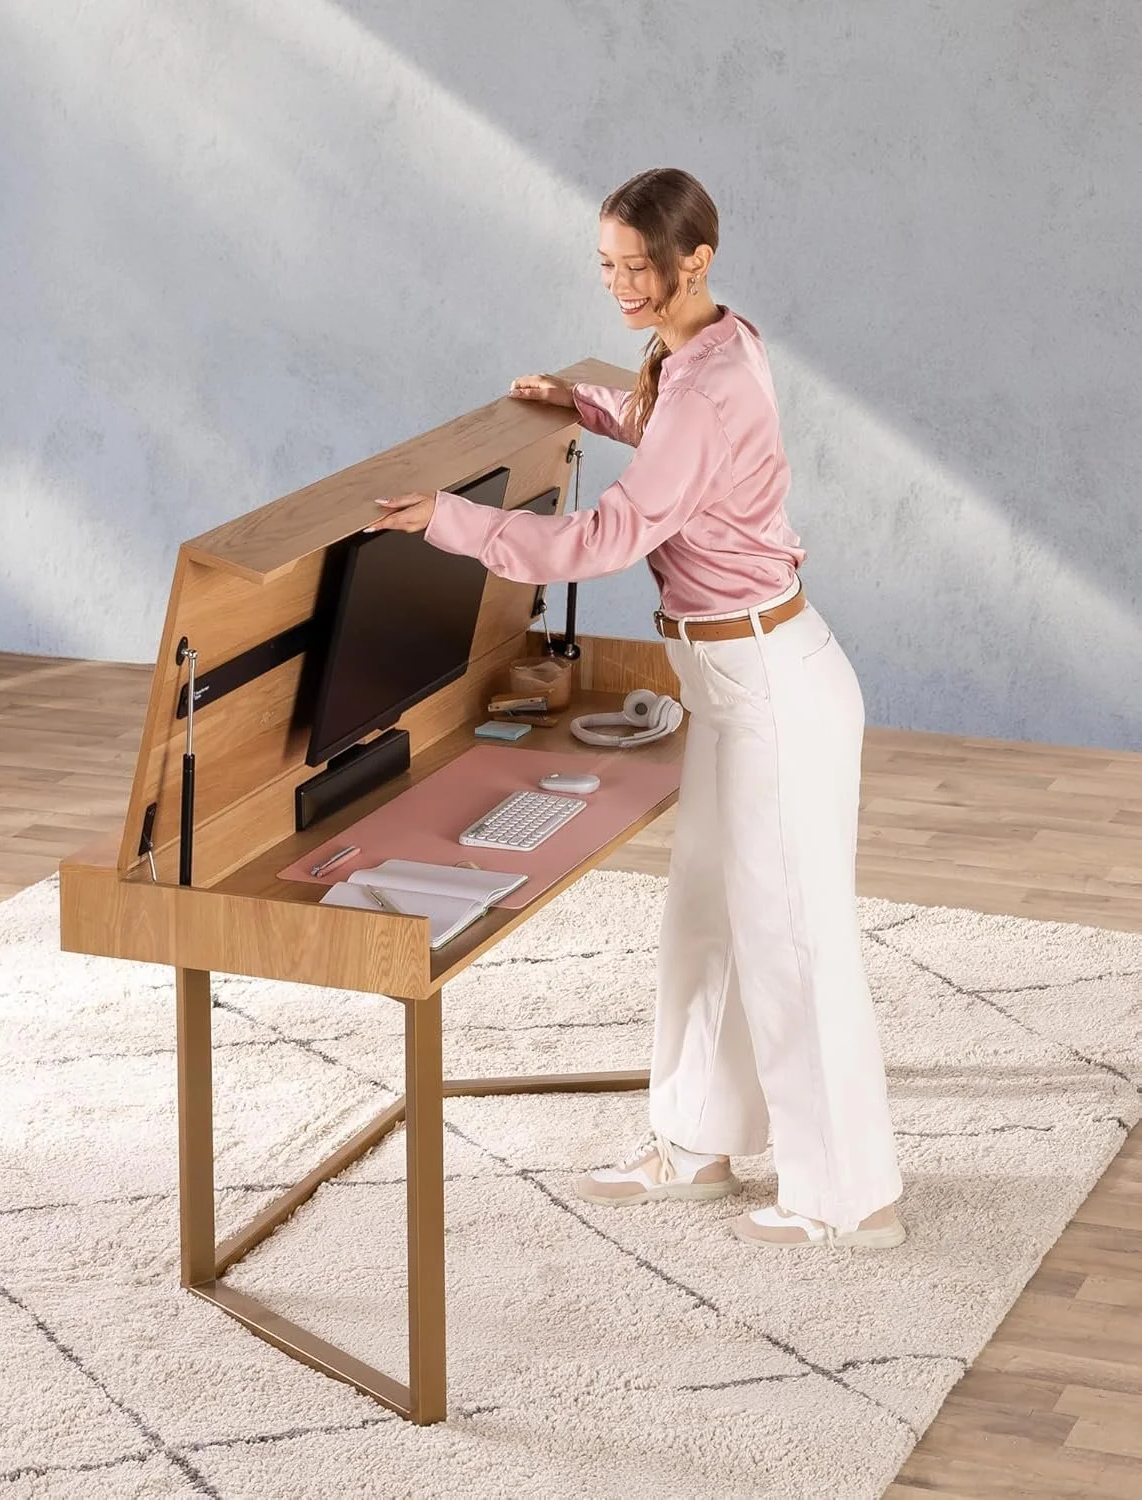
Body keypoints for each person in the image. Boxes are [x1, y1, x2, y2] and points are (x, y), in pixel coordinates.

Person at [364, 167, 905, 1251]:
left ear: (692, 260)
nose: (616, 288)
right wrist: (590, 404)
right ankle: (695, 1142)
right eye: (604, 266)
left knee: (789, 936)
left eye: (633, 269)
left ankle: (849, 1198)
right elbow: (672, 436)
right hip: (734, 680)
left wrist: (452, 526)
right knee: (705, 911)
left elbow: (607, 539)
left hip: (771, 686)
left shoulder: (705, 383)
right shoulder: (709, 345)